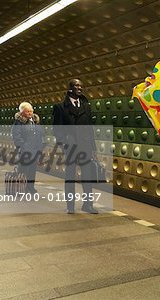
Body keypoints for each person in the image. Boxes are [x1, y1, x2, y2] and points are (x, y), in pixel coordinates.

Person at [53, 79, 98, 214]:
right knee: (70, 176)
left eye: (81, 85)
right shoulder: (60, 107)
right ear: (70, 88)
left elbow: (90, 128)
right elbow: (57, 128)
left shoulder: (86, 106)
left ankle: (88, 204)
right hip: (71, 146)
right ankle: (70, 205)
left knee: (87, 176)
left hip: (85, 145)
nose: (80, 88)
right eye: (77, 85)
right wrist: (63, 143)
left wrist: (93, 148)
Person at [11, 102, 44, 194]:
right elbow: (16, 137)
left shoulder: (36, 121)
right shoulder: (18, 123)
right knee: (23, 170)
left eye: (31, 111)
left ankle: (31, 187)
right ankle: (22, 188)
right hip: (24, 150)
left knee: (32, 170)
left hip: (35, 150)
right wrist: (23, 147)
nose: (30, 113)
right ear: (22, 112)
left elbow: (40, 134)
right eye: (27, 112)